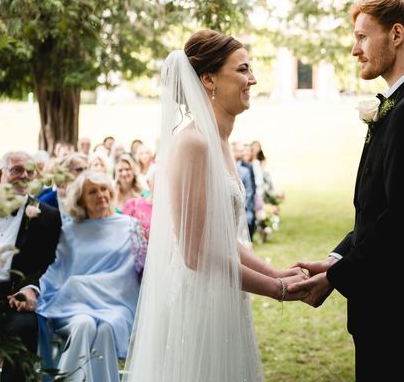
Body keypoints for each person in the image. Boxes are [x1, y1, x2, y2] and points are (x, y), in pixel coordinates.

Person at [122, 29, 308, 381]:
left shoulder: (220, 140)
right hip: (198, 306)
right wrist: (276, 290)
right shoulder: (194, 144)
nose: (252, 79)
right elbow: (195, 251)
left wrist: (275, 272)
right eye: (242, 70)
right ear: (208, 79)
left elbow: (221, 233)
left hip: (223, 296)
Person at [288, 0, 404, 380]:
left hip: (397, 311)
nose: (354, 50)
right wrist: (337, 258)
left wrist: (333, 278)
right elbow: (379, 212)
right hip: (384, 307)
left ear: (397, 35)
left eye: (363, 37)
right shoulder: (403, 105)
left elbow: (401, 223)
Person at [36, 171, 140, 382]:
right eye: (92, 191)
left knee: (105, 330)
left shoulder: (130, 226)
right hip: (74, 302)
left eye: (104, 189)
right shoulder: (70, 231)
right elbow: (56, 270)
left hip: (116, 304)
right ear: (81, 199)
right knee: (84, 324)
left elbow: (135, 272)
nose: (100, 195)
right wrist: (35, 293)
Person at [0, 151, 62, 382]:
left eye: (29, 172)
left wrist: (31, 287)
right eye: (17, 170)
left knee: (25, 327)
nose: (24, 175)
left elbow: (48, 264)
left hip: (14, 294)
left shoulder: (47, 216)